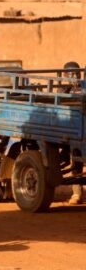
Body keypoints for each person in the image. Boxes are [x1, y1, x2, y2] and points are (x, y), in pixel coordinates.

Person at [61, 61, 84, 205]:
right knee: (76, 163)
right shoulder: (63, 91)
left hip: (81, 130)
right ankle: (77, 194)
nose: (73, 77)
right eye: (71, 74)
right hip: (73, 132)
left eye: (75, 74)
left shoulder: (83, 88)